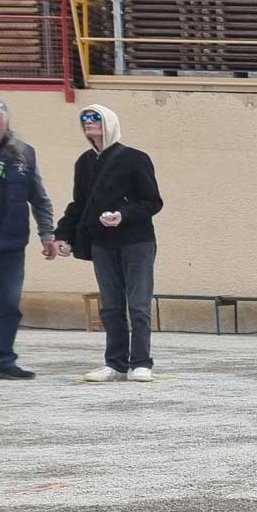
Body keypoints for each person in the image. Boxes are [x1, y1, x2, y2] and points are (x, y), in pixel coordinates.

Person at [53, 104, 162, 383]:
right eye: (85, 119)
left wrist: (122, 215)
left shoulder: (135, 158)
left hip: (136, 241)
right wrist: (63, 235)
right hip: (102, 243)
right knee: (111, 306)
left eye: (95, 118)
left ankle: (141, 362)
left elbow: (152, 202)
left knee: (138, 304)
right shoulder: (84, 162)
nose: (89, 123)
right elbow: (80, 204)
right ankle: (114, 363)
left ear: (109, 123)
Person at [0, 101, 58, 380]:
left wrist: (47, 234)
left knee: (8, 304)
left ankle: (3, 360)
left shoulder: (23, 155)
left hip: (10, 246)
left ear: (6, 125)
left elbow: (40, 199)